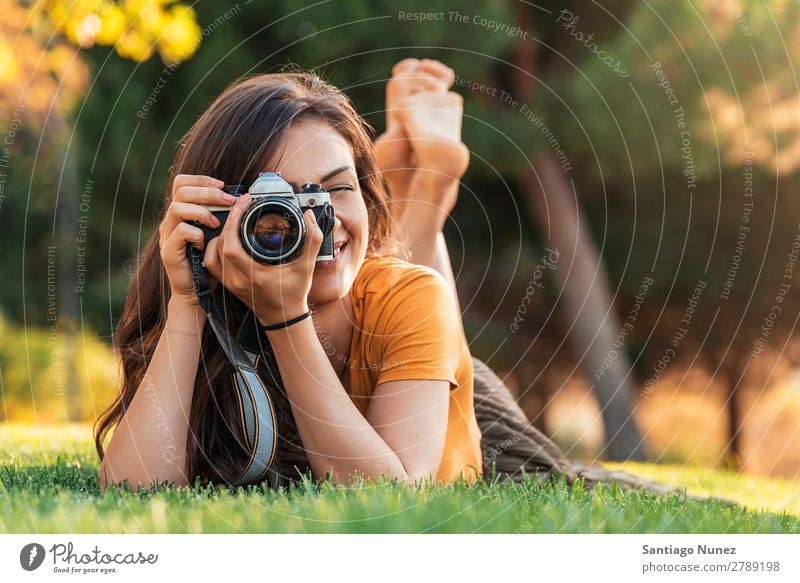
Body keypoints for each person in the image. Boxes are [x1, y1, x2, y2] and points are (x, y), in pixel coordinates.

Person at [95, 58, 672, 495]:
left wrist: (284, 318)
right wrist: (188, 301)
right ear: (217, 216)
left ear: (364, 194)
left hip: (457, 417)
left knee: (420, 296)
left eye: (333, 188)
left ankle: (427, 194)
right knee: (412, 294)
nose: (312, 225)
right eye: (279, 206)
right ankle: (419, 189)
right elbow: (131, 490)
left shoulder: (407, 298)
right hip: (402, 359)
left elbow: (393, 495)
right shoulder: (200, 295)